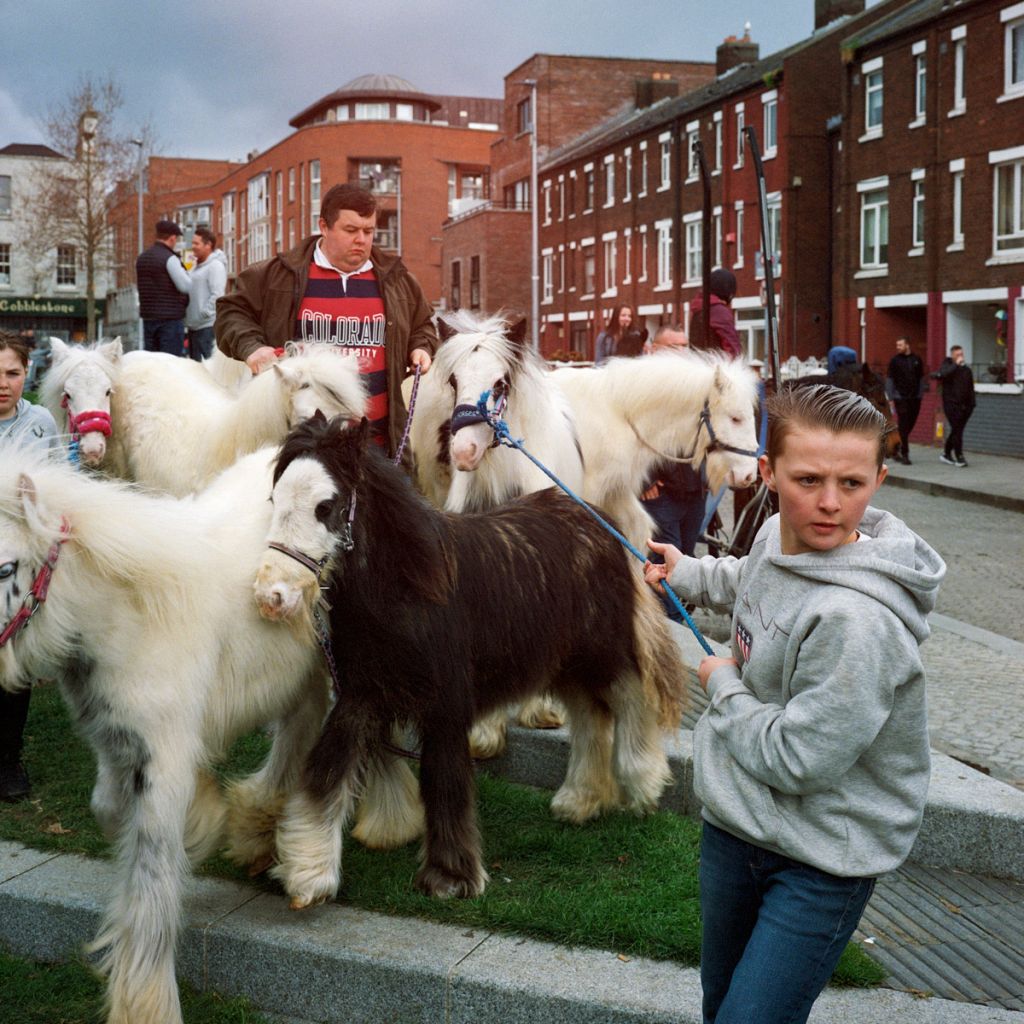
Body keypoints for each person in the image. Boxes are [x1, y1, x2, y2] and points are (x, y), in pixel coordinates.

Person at [644, 383, 944, 1024]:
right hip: (736, 828)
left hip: (822, 858)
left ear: (880, 478)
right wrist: (689, 571)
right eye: (808, 479)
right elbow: (754, 575)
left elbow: (798, 758)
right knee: (720, 1006)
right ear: (767, 473)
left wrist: (722, 684)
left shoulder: (857, 623)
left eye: (853, 483)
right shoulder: (779, 532)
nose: (831, 504)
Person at [216, 183, 435, 454]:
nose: (362, 240)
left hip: (376, 444)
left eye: (368, 231)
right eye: (351, 230)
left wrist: (421, 347)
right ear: (324, 226)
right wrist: (252, 348)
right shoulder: (278, 275)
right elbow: (230, 312)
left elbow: (423, 325)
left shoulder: (398, 280)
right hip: (299, 445)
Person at [0, 331, 62, 803]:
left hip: (22, 558)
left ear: (27, 375)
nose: (3, 384)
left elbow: (62, 479)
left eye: (12, 373)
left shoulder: (40, 422)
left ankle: (8, 762)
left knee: (12, 663)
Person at [640, 325, 705, 623]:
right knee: (662, 566)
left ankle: (674, 623)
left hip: (694, 491)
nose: (682, 352)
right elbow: (628, 437)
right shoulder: (642, 387)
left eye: (685, 346)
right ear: (654, 349)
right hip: (660, 493)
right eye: (674, 346)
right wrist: (644, 480)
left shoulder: (694, 386)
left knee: (684, 562)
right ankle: (669, 630)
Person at [136, 219, 191, 357]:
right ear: (172, 238)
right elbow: (185, 286)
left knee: (153, 363)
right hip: (170, 321)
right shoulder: (169, 258)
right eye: (176, 239)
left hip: (148, 319)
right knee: (170, 364)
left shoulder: (142, 258)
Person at [184, 226, 227, 362]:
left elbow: (218, 295)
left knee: (207, 370)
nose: (193, 247)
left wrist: (204, 314)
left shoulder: (215, 266)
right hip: (193, 327)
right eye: (192, 243)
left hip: (207, 328)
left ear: (208, 245)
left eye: (197, 243)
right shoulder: (196, 266)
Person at [932, 345, 976, 468]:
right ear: (952, 355)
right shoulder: (948, 366)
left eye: (961, 354)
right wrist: (956, 365)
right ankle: (959, 456)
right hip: (951, 404)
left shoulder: (966, 370)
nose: (960, 357)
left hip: (966, 406)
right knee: (957, 429)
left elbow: (970, 389)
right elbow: (943, 374)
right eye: (957, 355)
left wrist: (972, 404)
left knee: (957, 430)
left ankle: (946, 453)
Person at [885, 336, 925, 465]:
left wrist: (920, 395)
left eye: (900, 345)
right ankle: (905, 454)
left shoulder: (917, 360)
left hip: (915, 398)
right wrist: (891, 397)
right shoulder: (895, 361)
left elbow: (920, 378)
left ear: (907, 345)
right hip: (900, 397)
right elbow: (890, 379)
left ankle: (895, 446)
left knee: (909, 424)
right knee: (903, 424)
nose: (898, 347)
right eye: (897, 345)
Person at [688, 268, 741, 357]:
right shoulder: (719, 311)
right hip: (716, 366)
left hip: (698, 363)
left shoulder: (697, 309)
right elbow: (731, 346)